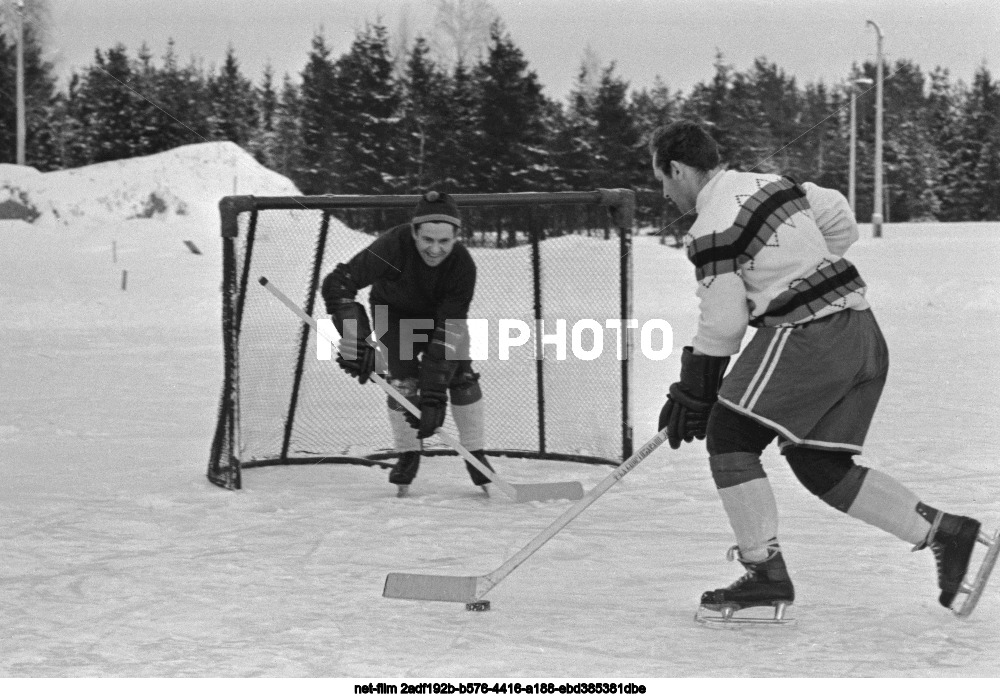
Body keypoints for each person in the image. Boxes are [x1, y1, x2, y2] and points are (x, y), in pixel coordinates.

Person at [649, 119, 984, 618]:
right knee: (818, 463)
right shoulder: (777, 185)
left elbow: (723, 324)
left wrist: (694, 392)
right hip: (861, 332)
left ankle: (764, 572)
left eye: (662, 179)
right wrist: (802, 265)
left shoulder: (710, 227)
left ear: (677, 169)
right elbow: (840, 221)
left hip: (812, 337)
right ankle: (944, 532)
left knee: (730, 437)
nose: (665, 191)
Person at [320, 191, 494, 496]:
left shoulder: (463, 266)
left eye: (445, 242)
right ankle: (408, 453)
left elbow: (450, 326)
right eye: (427, 239)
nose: (435, 249)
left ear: (457, 237)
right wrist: (355, 339)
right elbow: (339, 283)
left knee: (461, 376)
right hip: (393, 313)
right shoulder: (391, 246)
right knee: (402, 383)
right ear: (413, 231)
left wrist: (434, 394)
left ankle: (475, 454)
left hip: (441, 318)